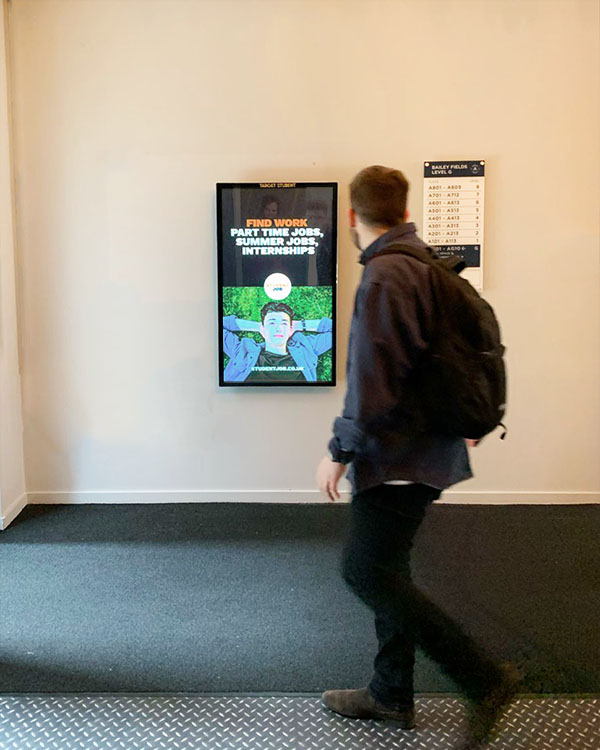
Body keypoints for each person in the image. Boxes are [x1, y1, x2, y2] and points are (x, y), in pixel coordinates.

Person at [316, 166, 520, 749]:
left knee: (365, 571)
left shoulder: (385, 275)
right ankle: (390, 692)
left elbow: (372, 384)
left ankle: (482, 679)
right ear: (406, 212)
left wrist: (338, 451)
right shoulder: (425, 264)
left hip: (399, 455)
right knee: (388, 568)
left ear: (352, 217)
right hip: (425, 447)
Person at [223, 301, 332, 383]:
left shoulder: (305, 347)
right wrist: (256, 326)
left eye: (284, 323)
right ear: (262, 329)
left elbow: (337, 328)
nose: (278, 328)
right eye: (272, 323)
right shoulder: (242, 349)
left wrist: (300, 325)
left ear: (290, 329)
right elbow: (217, 324)